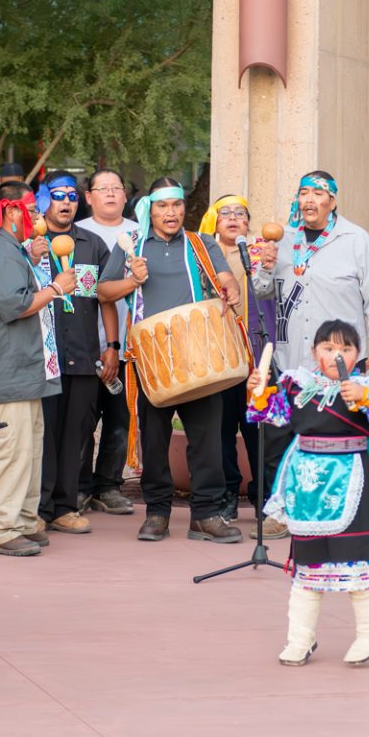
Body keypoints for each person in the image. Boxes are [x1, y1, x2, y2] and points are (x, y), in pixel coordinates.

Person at [247, 319, 369, 665]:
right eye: (329, 348)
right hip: (307, 488)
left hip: (351, 481)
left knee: (357, 561)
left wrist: (368, 399)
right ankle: (299, 638)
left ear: (358, 355)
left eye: (346, 349)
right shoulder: (296, 385)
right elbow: (266, 414)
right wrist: (258, 390)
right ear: (314, 352)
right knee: (308, 564)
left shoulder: (367, 388)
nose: (337, 355)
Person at [98, 179, 243, 543]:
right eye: (164, 206)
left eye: (177, 205)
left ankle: (206, 515)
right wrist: (132, 280)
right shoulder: (132, 245)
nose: (172, 213)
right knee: (156, 439)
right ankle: (157, 513)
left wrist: (231, 287)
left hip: (200, 356)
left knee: (207, 439)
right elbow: (103, 291)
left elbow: (226, 279)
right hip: (152, 359)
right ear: (151, 209)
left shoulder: (201, 243)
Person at [262, 169, 369, 512]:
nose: (309, 200)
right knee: (280, 438)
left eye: (318, 194)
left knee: (340, 434)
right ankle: (280, 509)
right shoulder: (284, 239)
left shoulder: (355, 239)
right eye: (304, 192)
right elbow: (263, 290)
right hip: (291, 360)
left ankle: (346, 504)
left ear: (332, 201)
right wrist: (264, 266)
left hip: (340, 366)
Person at [0, 182, 73, 555]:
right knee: (10, 452)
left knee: (27, 450)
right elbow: (15, 305)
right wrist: (57, 288)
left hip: (20, 371)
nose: (39, 220)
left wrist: (30, 255)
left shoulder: (8, 248)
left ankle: (23, 521)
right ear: (12, 212)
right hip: (3, 371)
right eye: (34, 211)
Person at [33, 173, 118, 535]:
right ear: (42, 200)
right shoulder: (30, 243)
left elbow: (106, 297)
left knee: (75, 435)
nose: (66, 203)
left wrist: (111, 346)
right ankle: (37, 507)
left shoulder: (92, 243)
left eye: (71, 196)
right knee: (42, 434)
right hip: (41, 359)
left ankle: (65, 507)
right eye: (57, 196)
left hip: (83, 355)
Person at [200, 193, 286, 534]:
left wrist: (268, 264)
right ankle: (226, 496)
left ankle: (266, 498)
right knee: (220, 429)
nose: (234, 218)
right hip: (219, 354)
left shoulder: (262, 252)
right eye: (226, 213)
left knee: (260, 430)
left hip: (258, 354)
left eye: (240, 213)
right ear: (215, 221)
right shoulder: (203, 256)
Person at [76, 169, 138, 517]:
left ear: (125, 196)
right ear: (89, 197)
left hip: (130, 345)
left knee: (121, 418)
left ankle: (108, 486)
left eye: (117, 188)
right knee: (83, 419)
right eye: (103, 189)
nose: (111, 194)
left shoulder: (139, 234)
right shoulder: (78, 234)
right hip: (86, 345)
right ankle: (80, 485)